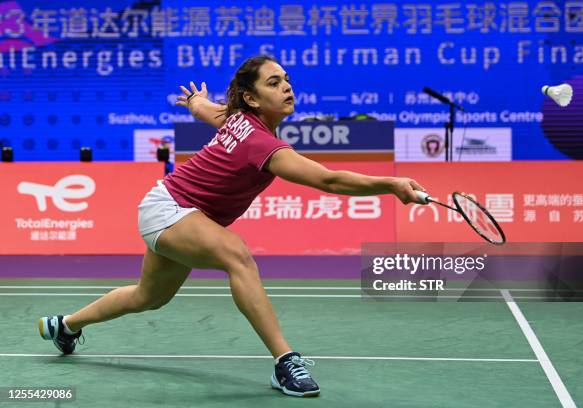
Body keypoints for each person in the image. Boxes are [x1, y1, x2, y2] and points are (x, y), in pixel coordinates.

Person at [38, 55, 426, 398]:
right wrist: (391, 185)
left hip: (177, 210)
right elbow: (328, 181)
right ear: (253, 98)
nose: (286, 86)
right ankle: (285, 361)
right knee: (237, 256)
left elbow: (206, 111)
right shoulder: (259, 142)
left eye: (286, 79)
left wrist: (194, 101)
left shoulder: (238, 119)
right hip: (172, 208)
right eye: (273, 83)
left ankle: (66, 325)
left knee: (149, 297)